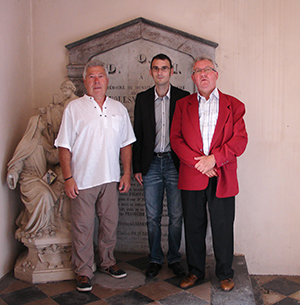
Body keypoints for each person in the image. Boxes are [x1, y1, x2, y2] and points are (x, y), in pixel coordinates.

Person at [55, 59, 136, 292]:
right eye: (91, 76)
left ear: (107, 80)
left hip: (110, 177)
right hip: (82, 179)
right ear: (84, 81)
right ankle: (83, 271)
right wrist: (68, 177)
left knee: (110, 224)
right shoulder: (74, 108)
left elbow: (126, 145)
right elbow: (63, 146)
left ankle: (108, 262)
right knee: (82, 227)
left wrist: (126, 173)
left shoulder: (118, 109)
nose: (96, 80)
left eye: (100, 76)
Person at [170, 56, 248, 291]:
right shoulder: (183, 105)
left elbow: (240, 141)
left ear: (216, 74)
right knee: (193, 225)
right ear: (193, 78)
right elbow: (176, 139)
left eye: (207, 70)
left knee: (223, 225)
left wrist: (214, 159)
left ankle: (225, 273)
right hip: (193, 175)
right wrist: (200, 164)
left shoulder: (234, 105)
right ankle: (195, 272)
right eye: (197, 71)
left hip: (222, 175)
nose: (203, 74)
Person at [133, 54, 190, 278]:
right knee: (153, 216)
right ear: (151, 72)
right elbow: (137, 133)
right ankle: (155, 258)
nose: (160, 72)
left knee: (176, 215)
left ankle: (174, 258)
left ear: (171, 72)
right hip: (152, 164)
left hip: (176, 164)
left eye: (164, 68)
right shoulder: (143, 98)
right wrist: (138, 166)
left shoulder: (184, 98)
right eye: (156, 68)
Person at [7, 115, 64, 240]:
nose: (45, 122)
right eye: (42, 120)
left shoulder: (43, 140)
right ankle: (36, 228)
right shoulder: (27, 143)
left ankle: (49, 226)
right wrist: (13, 174)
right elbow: (18, 162)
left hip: (43, 178)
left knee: (61, 186)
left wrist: (63, 147)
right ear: (36, 124)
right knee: (44, 195)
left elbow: (51, 158)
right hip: (30, 179)